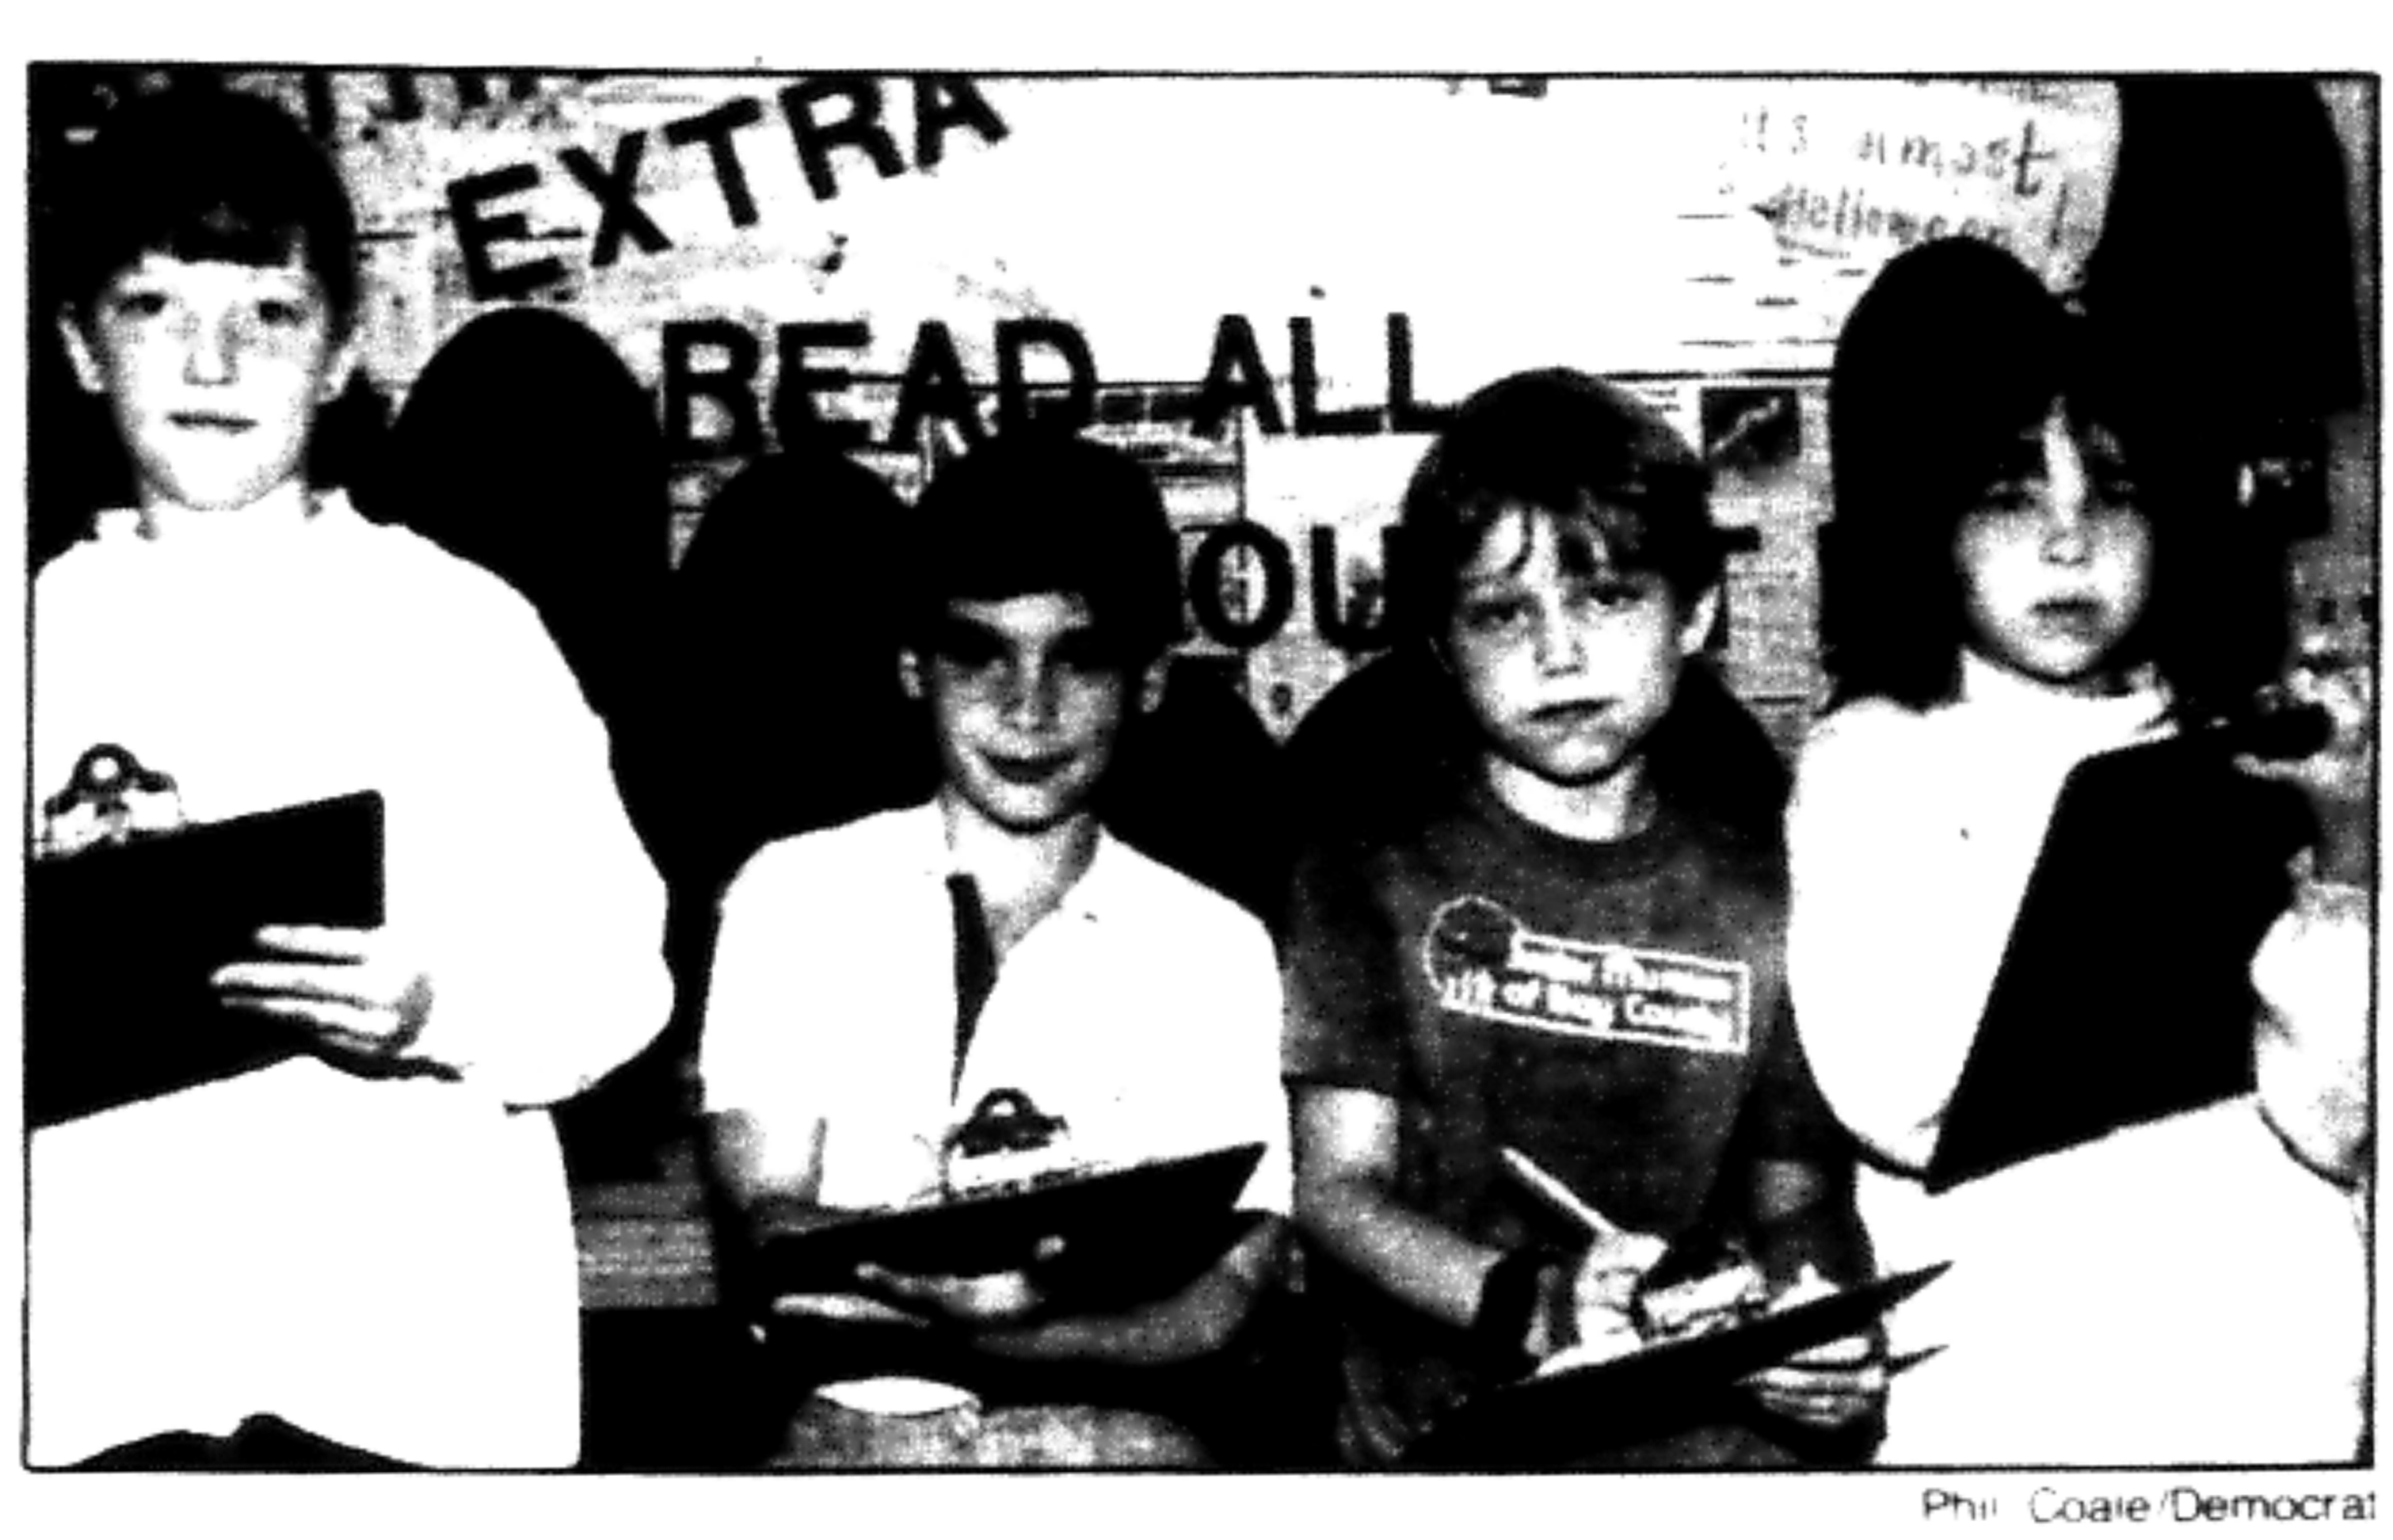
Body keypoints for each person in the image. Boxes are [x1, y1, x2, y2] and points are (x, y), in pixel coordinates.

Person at [27, 83, 673, 1469]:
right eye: (153, 308)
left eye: (266, 314)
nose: (211, 361)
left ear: (339, 357)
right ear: (79, 346)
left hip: (398, 1379)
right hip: (92, 1375)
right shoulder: (38, 635)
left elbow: (621, 979)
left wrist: (440, 1006)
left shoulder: (461, 629)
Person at [1788, 236, 2370, 1463]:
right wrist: (2100, 894)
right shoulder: (1870, 761)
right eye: (2007, 489)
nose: (2068, 540)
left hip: (2280, 1394)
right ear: (1922, 514)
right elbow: (1897, 1098)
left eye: (2113, 490)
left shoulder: (2252, 750)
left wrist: (2347, 857)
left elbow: (2336, 1121)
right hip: (2015, 1401)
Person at [1282, 368, 1884, 1470]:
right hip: (1434, 1449)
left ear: (1696, 609)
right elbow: (1335, 1192)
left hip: (1692, 1434)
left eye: (1606, 597)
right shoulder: (1365, 868)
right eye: (1501, 613)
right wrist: (1537, 1305)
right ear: (1437, 644)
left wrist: (1823, 1325)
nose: (1557, 654)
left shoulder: (1770, 885)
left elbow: (1797, 1197)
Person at [696, 432, 1294, 1468]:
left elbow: (1224, 1302)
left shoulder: (1215, 946)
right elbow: (776, 1246)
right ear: (909, 666)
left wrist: (1021, 1322)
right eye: (978, 652)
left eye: (1080, 656)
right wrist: (1062, 1287)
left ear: (1151, 678)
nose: (1028, 707)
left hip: (1127, 1447)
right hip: (856, 1436)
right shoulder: (794, 894)